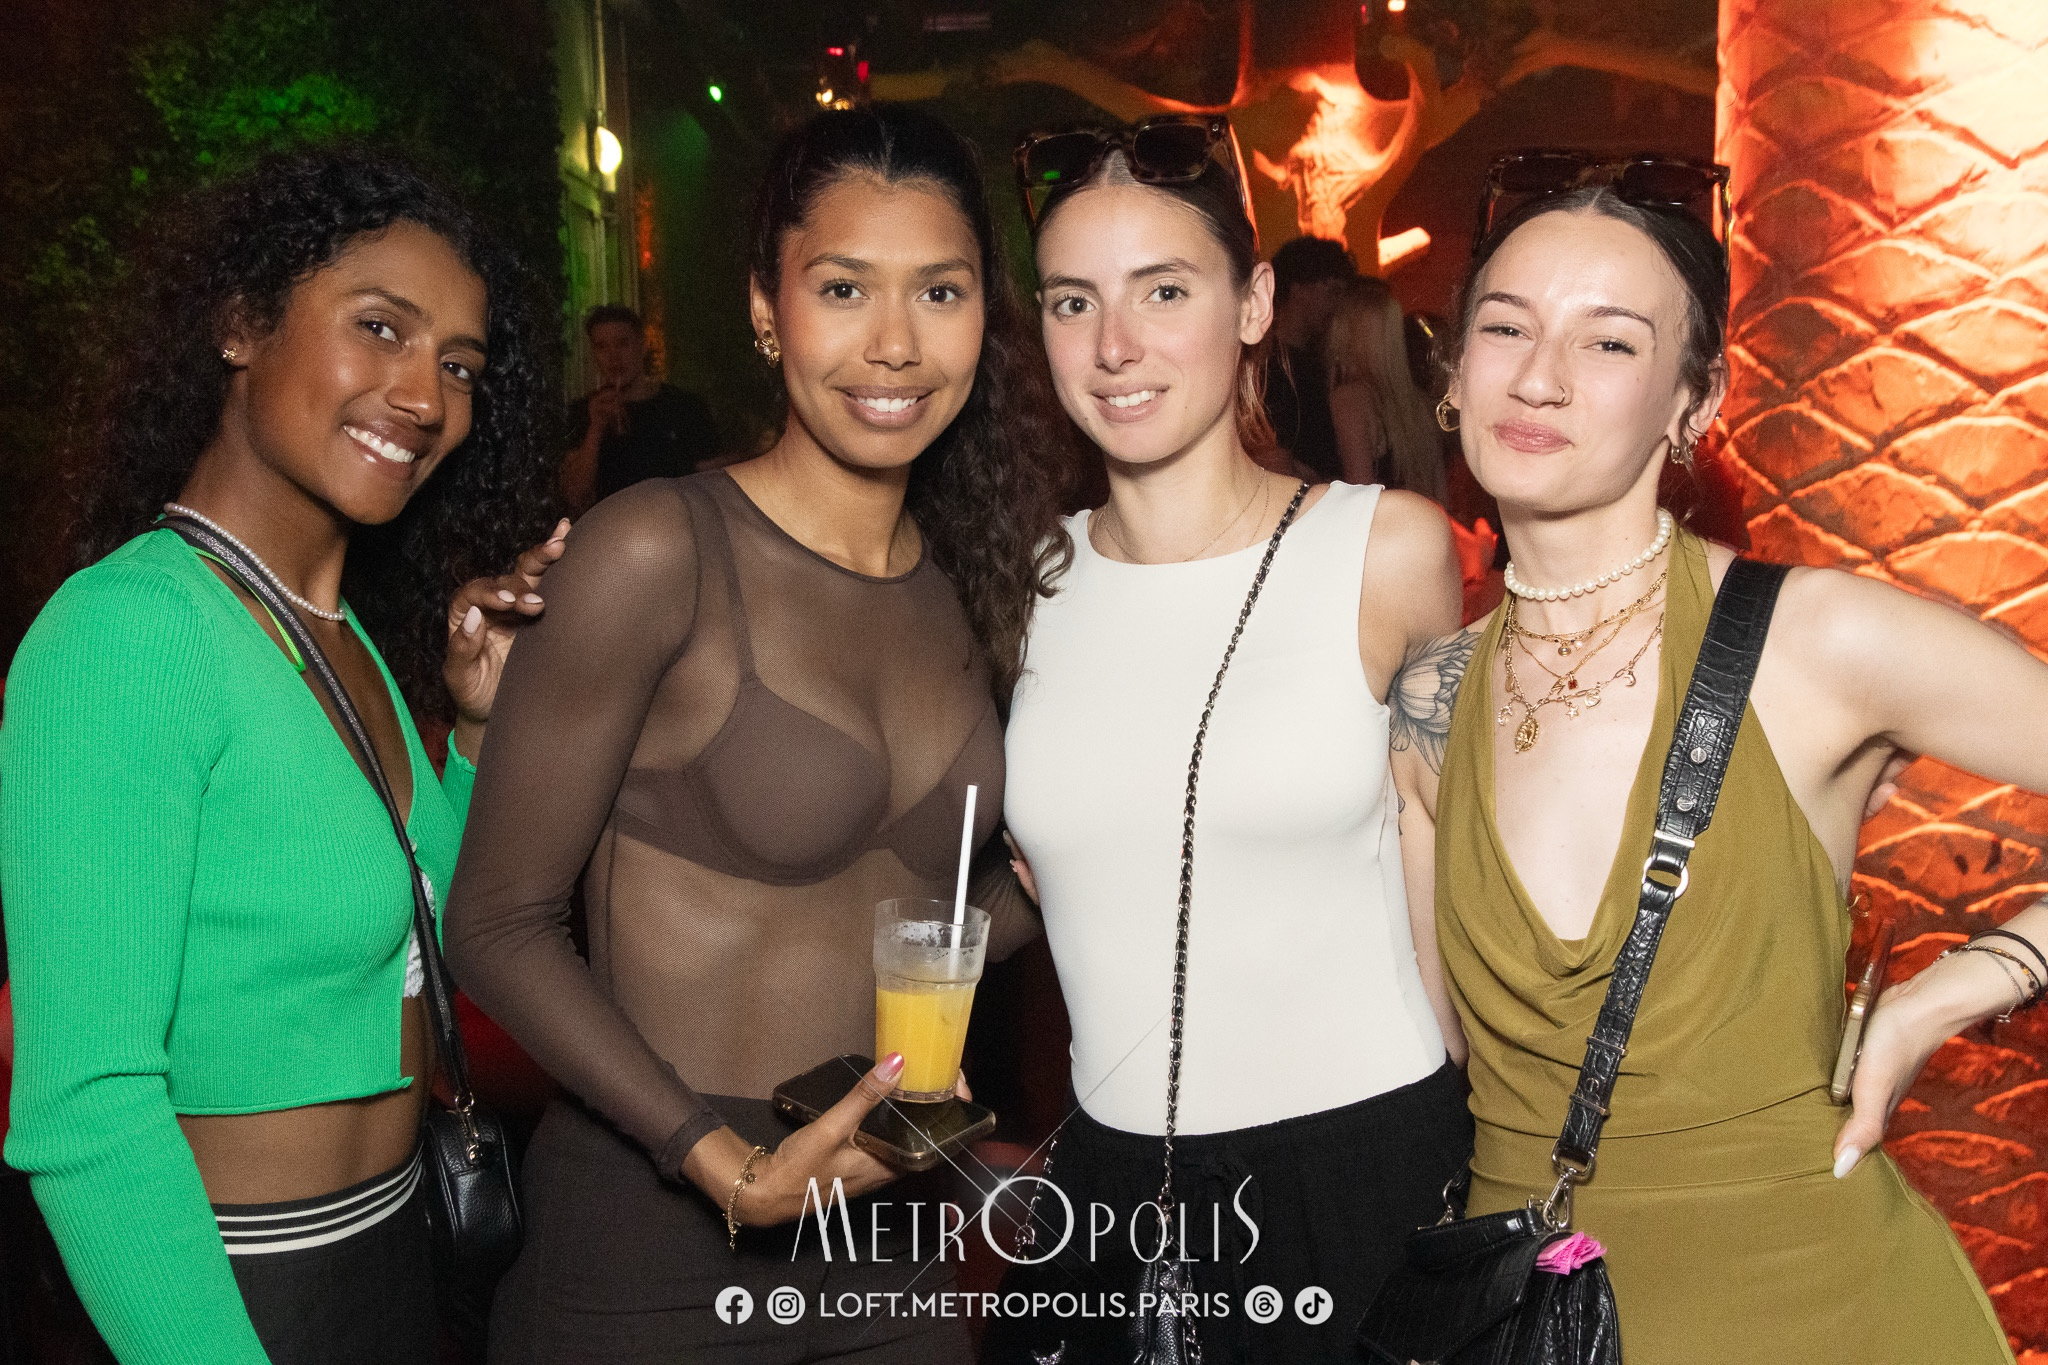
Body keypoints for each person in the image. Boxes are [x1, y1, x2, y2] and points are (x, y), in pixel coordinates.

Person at [443, 104, 1069, 1364]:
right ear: (765, 309)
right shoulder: (656, 550)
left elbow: (924, 912)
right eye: (842, 288)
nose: (893, 343)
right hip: (655, 1232)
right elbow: (496, 924)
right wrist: (716, 1160)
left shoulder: (983, 583)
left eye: (938, 292)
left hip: (891, 1221)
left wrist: (1065, 879)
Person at [1388, 180, 2041, 1362]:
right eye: (1504, 326)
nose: (1538, 377)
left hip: (1812, 1307)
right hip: (1522, 1323)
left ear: (1694, 401)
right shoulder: (1431, 698)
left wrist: (1958, 988)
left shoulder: (1814, 641)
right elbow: (1456, 1057)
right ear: (1452, 371)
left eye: (1607, 342)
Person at [0, 147, 563, 1364]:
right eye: (381, 328)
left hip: (394, 1253)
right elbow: (84, 1112)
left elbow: (434, 925)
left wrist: (472, 733)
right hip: (222, 1287)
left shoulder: (339, 635)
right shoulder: (128, 634)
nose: (425, 397)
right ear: (242, 324)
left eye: (459, 365)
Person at [991, 117, 1471, 1364]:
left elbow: (1447, 864)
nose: (1114, 345)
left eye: (1163, 291)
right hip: (1106, 1193)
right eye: (1072, 301)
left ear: (1252, 303)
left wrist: (1478, 1145)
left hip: (1358, 1175)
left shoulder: (1383, 550)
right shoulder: (1021, 585)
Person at [560, 304, 720, 512]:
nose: (613, 356)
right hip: (610, 526)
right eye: (602, 347)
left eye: (622, 343)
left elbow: (710, 479)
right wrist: (595, 430)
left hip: (673, 522)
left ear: (642, 346)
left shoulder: (683, 406)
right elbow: (575, 496)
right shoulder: (583, 412)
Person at [1324, 274, 1449, 502]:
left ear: (1345, 333)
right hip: (1424, 518)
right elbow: (1440, 493)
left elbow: (1360, 491)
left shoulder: (1350, 399)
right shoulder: (1417, 402)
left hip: (1384, 521)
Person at [1260, 234, 1354, 482]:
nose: (1337, 304)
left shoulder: (1321, 360)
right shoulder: (1266, 364)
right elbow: (1273, 459)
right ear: (1298, 289)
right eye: (1332, 291)